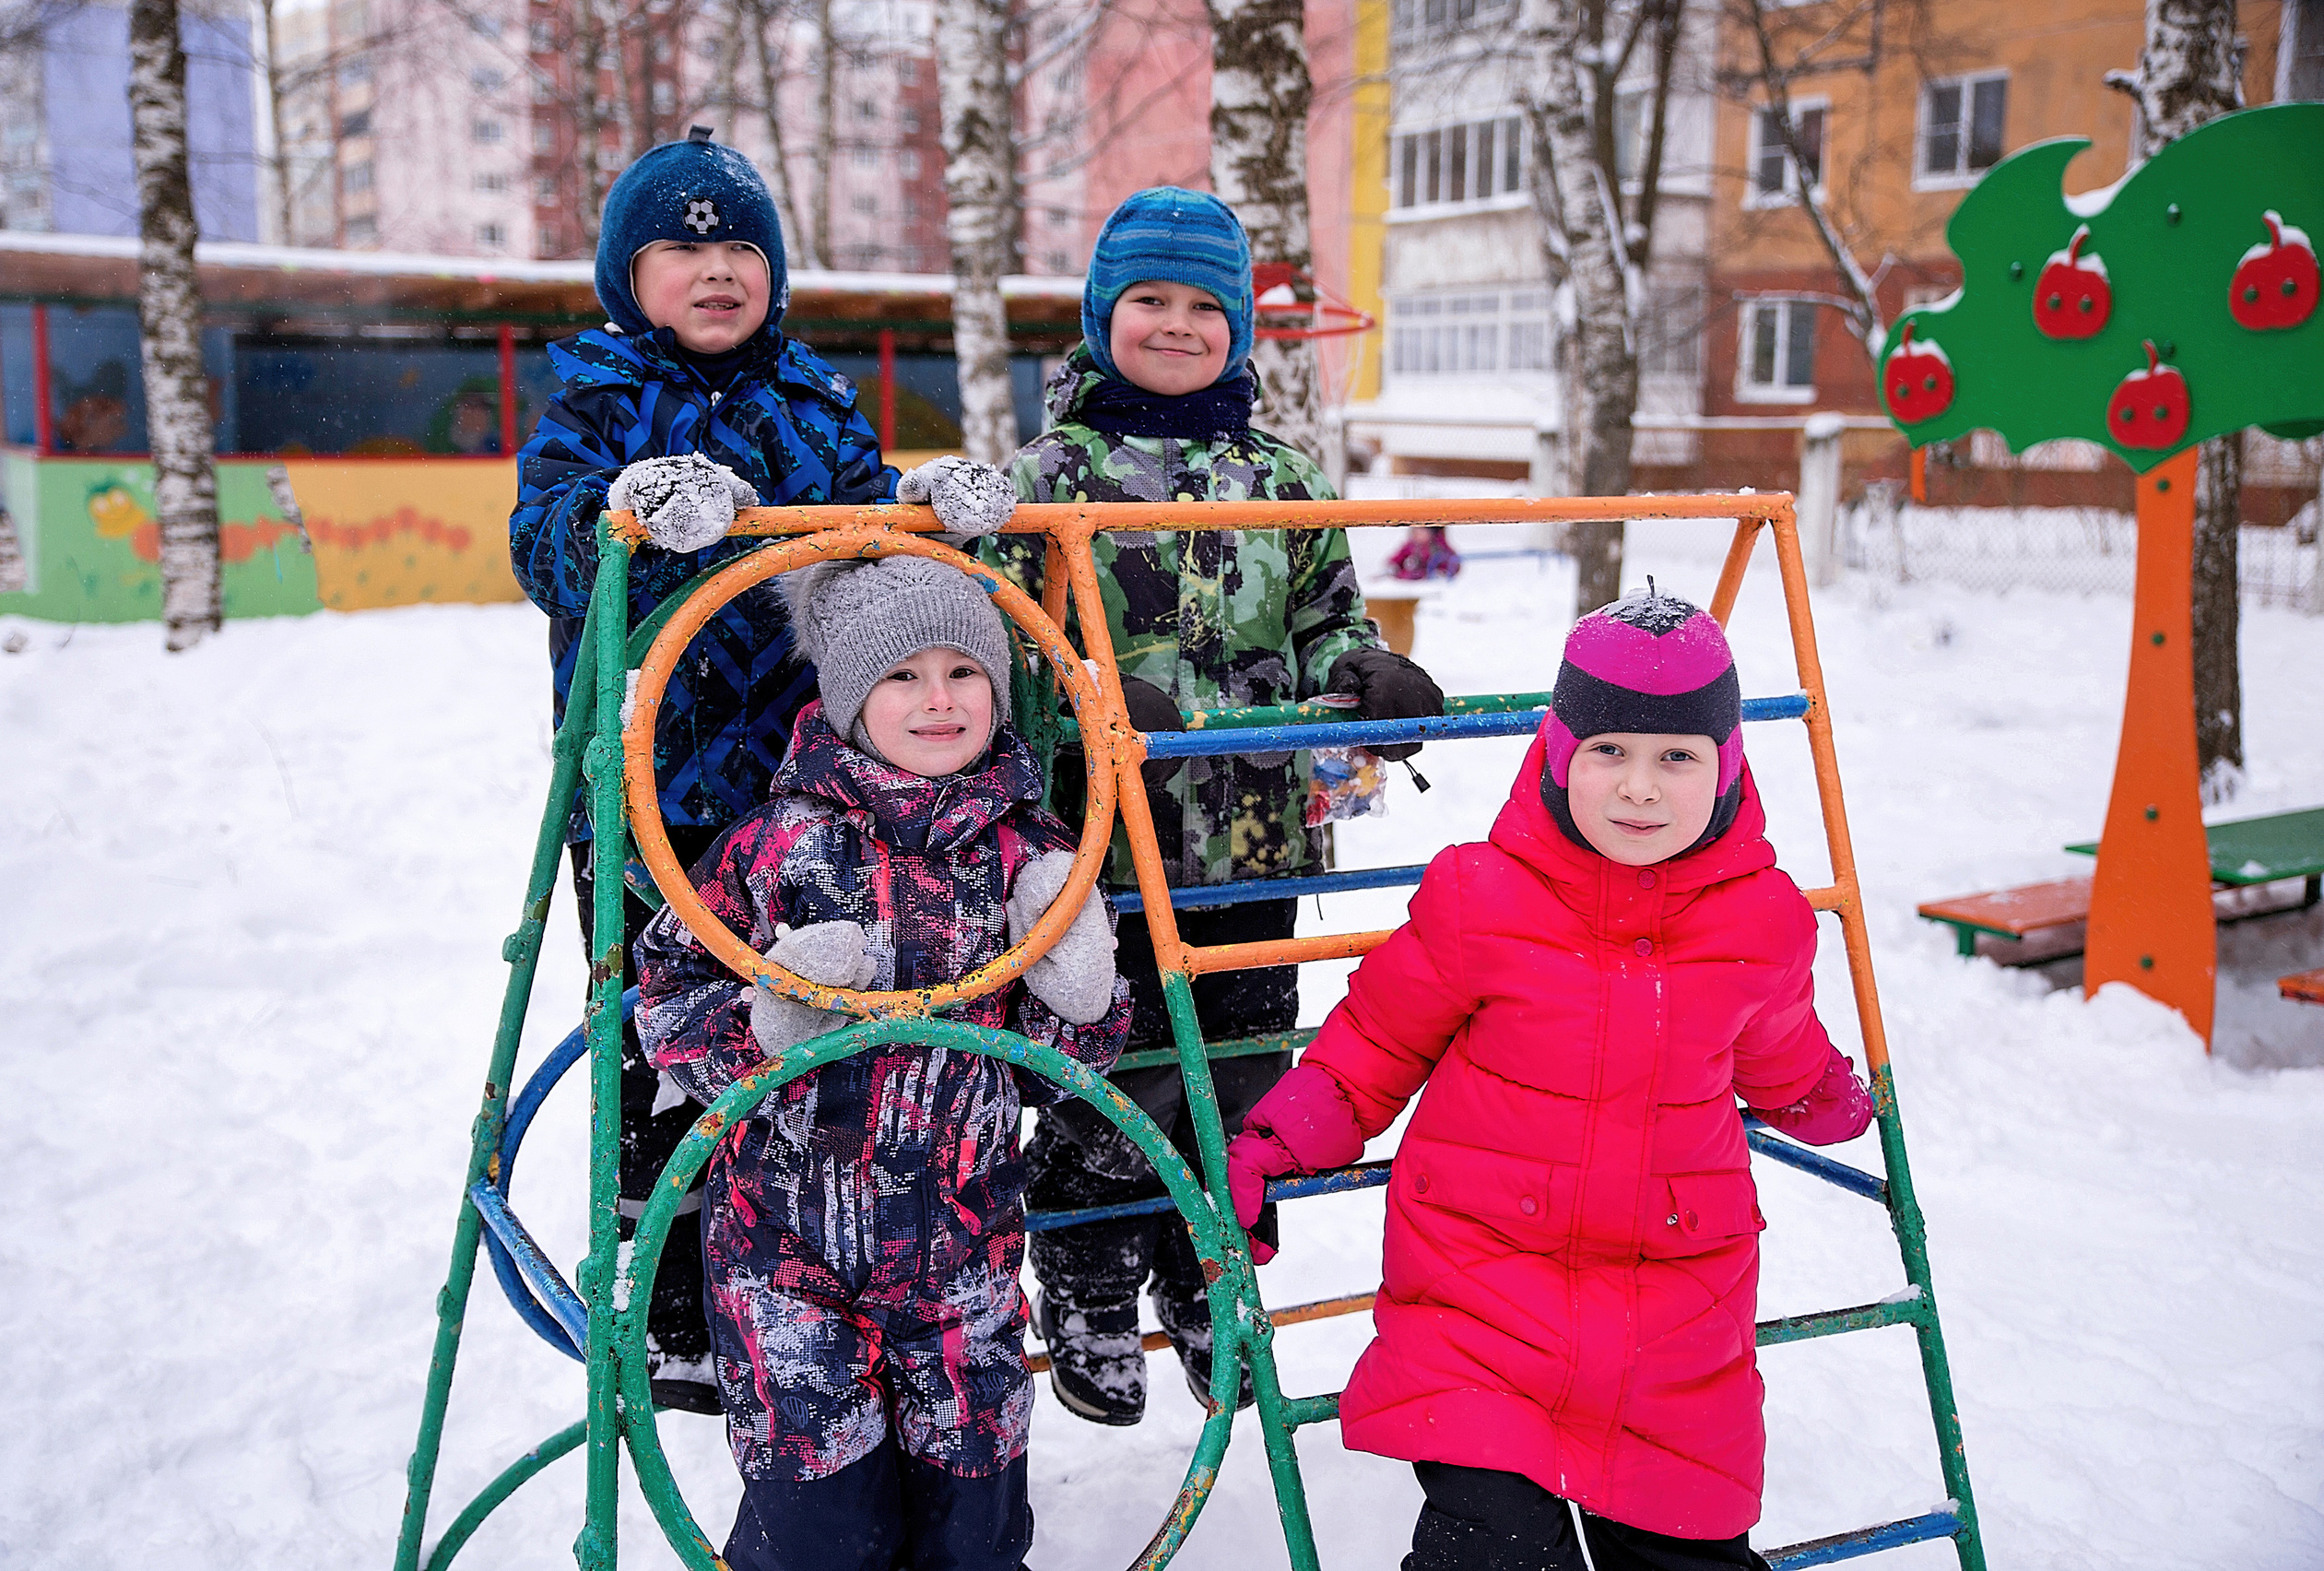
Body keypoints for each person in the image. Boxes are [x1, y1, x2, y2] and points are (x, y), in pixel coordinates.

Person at [509, 126, 1019, 1412]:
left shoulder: (813, 400)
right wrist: (622, 504)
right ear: (631, 276)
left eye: (740, 245)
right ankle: (672, 1297)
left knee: (794, 1014)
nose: (716, 269)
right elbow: (544, 544)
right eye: (681, 248)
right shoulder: (599, 400)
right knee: (661, 1030)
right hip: (646, 786)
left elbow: (868, 537)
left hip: (804, 796)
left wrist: (927, 505)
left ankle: (808, 1252)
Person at [1224, 588, 1877, 1571]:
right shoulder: (1479, 898)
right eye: (1608, 751)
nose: (1639, 789)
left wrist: (1827, 1097)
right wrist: (1271, 1147)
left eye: (1678, 757)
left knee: (1685, 1545)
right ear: (1559, 757)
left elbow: (1780, 1054)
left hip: (1676, 1313)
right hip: (1482, 1294)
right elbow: (1373, 1044)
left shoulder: (1761, 923)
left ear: (1728, 768)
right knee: (1493, 1548)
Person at [973, 185, 1445, 1427]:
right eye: (1149, 301)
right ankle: (1081, 1272)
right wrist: (1083, 687)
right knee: (1110, 1067)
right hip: (1107, 848)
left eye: (1203, 305)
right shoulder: (1048, 475)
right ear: (1101, 314)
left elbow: (1326, 614)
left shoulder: (1282, 473)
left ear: (1239, 326)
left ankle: (1199, 1261)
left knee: (1240, 1062)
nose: (1177, 325)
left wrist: (1363, 667)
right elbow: (1004, 653)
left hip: (1257, 838)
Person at [633, 554, 1131, 1571]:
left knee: (974, 1526)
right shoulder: (776, 849)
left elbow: (1052, 1071)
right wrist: (761, 1035)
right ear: (850, 699)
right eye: (901, 676)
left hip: (966, 1255)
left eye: (964, 671)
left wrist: (1079, 1002)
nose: (938, 699)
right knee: (818, 1531)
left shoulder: (1028, 854)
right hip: (784, 1256)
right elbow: (668, 1005)